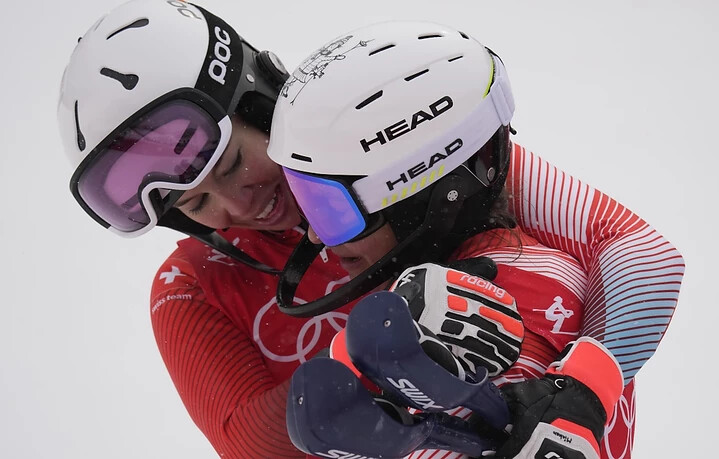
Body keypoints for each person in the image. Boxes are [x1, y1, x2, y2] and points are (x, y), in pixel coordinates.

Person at [55, 1, 683, 458]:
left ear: (262, 103)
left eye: (233, 164)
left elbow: (637, 252)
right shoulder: (192, 283)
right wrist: (368, 350)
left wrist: (582, 390)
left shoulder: (370, 130)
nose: (237, 208)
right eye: (195, 205)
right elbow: (248, 442)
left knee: (536, 269)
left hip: (545, 399)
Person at [266, 20, 684, 459]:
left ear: (419, 197)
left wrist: (582, 392)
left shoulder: (508, 295)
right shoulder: (515, 251)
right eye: (303, 197)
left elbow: (649, 258)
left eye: (326, 206)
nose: (313, 233)